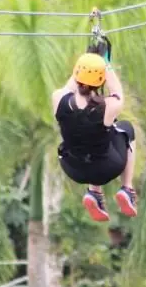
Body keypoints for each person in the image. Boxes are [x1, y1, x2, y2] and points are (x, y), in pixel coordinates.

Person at [51, 52, 137, 222]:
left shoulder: (58, 98)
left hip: (73, 168)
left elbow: (70, 86)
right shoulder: (107, 107)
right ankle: (127, 188)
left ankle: (94, 193)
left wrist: (88, 60)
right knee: (125, 128)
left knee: (96, 137)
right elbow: (117, 92)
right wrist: (105, 62)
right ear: (100, 80)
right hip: (104, 170)